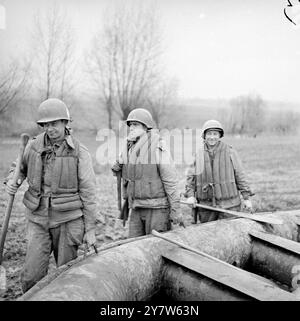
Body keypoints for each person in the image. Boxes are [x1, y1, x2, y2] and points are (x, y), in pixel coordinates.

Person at [4, 98, 97, 293]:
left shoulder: (80, 152)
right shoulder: (33, 145)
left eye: (54, 123)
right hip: (38, 218)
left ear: (65, 123)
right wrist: (14, 180)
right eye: (46, 124)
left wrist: (90, 229)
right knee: (31, 277)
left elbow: (89, 192)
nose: (50, 128)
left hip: (68, 221)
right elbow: (19, 167)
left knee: (67, 277)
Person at [111, 108, 184, 237]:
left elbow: (170, 180)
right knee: (134, 248)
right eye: (130, 125)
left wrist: (175, 210)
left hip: (157, 209)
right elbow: (120, 171)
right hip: (136, 207)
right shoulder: (129, 147)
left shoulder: (158, 146)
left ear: (146, 127)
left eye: (136, 125)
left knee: (158, 247)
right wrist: (120, 162)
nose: (132, 128)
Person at [184, 119, 254, 223]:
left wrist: (246, 198)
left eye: (215, 134)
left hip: (230, 206)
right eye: (209, 134)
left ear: (220, 135)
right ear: (204, 135)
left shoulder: (230, 151)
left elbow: (240, 175)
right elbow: (190, 178)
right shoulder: (198, 154)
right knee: (209, 237)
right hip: (206, 207)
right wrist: (190, 196)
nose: (212, 137)